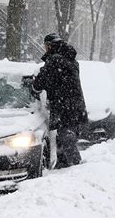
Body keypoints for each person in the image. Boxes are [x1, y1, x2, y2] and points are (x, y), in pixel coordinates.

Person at [32, 33, 88, 168]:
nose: (44, 49)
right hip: (75, 104)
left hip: (64, 104)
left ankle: (75, 164)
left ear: (50, 46)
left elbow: (40, 83)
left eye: (45, 46)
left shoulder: (54, 61)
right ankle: (65, 162)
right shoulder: (70, 60)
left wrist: (35, 84)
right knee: (67, 134)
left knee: (66, 134)